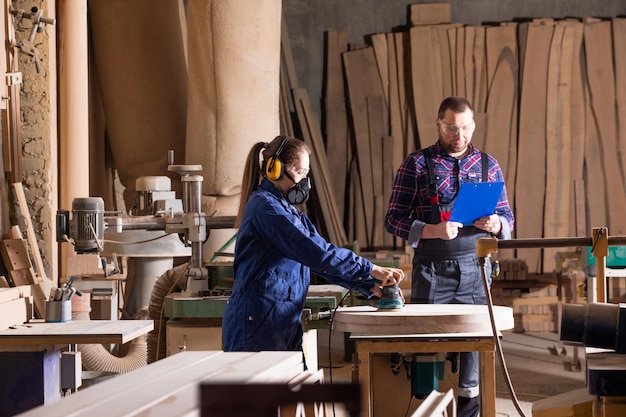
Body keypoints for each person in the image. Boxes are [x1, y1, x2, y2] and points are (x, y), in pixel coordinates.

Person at [385, 96, 514, 417]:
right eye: (452, 129)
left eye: (466, 128)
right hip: (432, 270)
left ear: (473, 125)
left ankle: (470, 408)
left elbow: (508, 217)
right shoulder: (416, 164)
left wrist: (498, 224)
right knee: (427, 344)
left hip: (476, 269)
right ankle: (426, 404)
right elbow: (392, 219)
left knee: (475, 347)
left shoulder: (488, 165)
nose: (460, 136)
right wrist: (430, 231)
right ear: (438, 125)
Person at [223, 135, 405, 358]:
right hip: (257, 323)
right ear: (274, 169)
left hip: (282, 321)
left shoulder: (290, 211)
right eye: (299, 172)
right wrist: (370, 269)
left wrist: (368, 285)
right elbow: (316, 252)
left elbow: (321, 257)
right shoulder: (266, 208)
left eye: (306, 173)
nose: (304, 181)